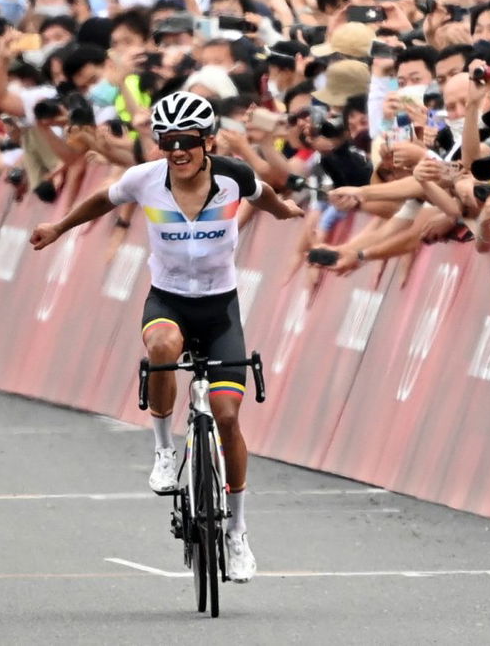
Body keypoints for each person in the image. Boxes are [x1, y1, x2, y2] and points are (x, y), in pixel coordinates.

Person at [28, 91, 303, 583]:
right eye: (167, 141)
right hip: (169, 301)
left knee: (226, 417)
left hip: (220, 311)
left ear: (208, 142)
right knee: (160, 349)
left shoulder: (233, 176)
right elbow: (99, 199)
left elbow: (266, 195)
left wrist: (284, 213)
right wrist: (59, 227)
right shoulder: (145, 179)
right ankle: (161, 449)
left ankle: (237, 532)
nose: (176, 150)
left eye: (187, 142)